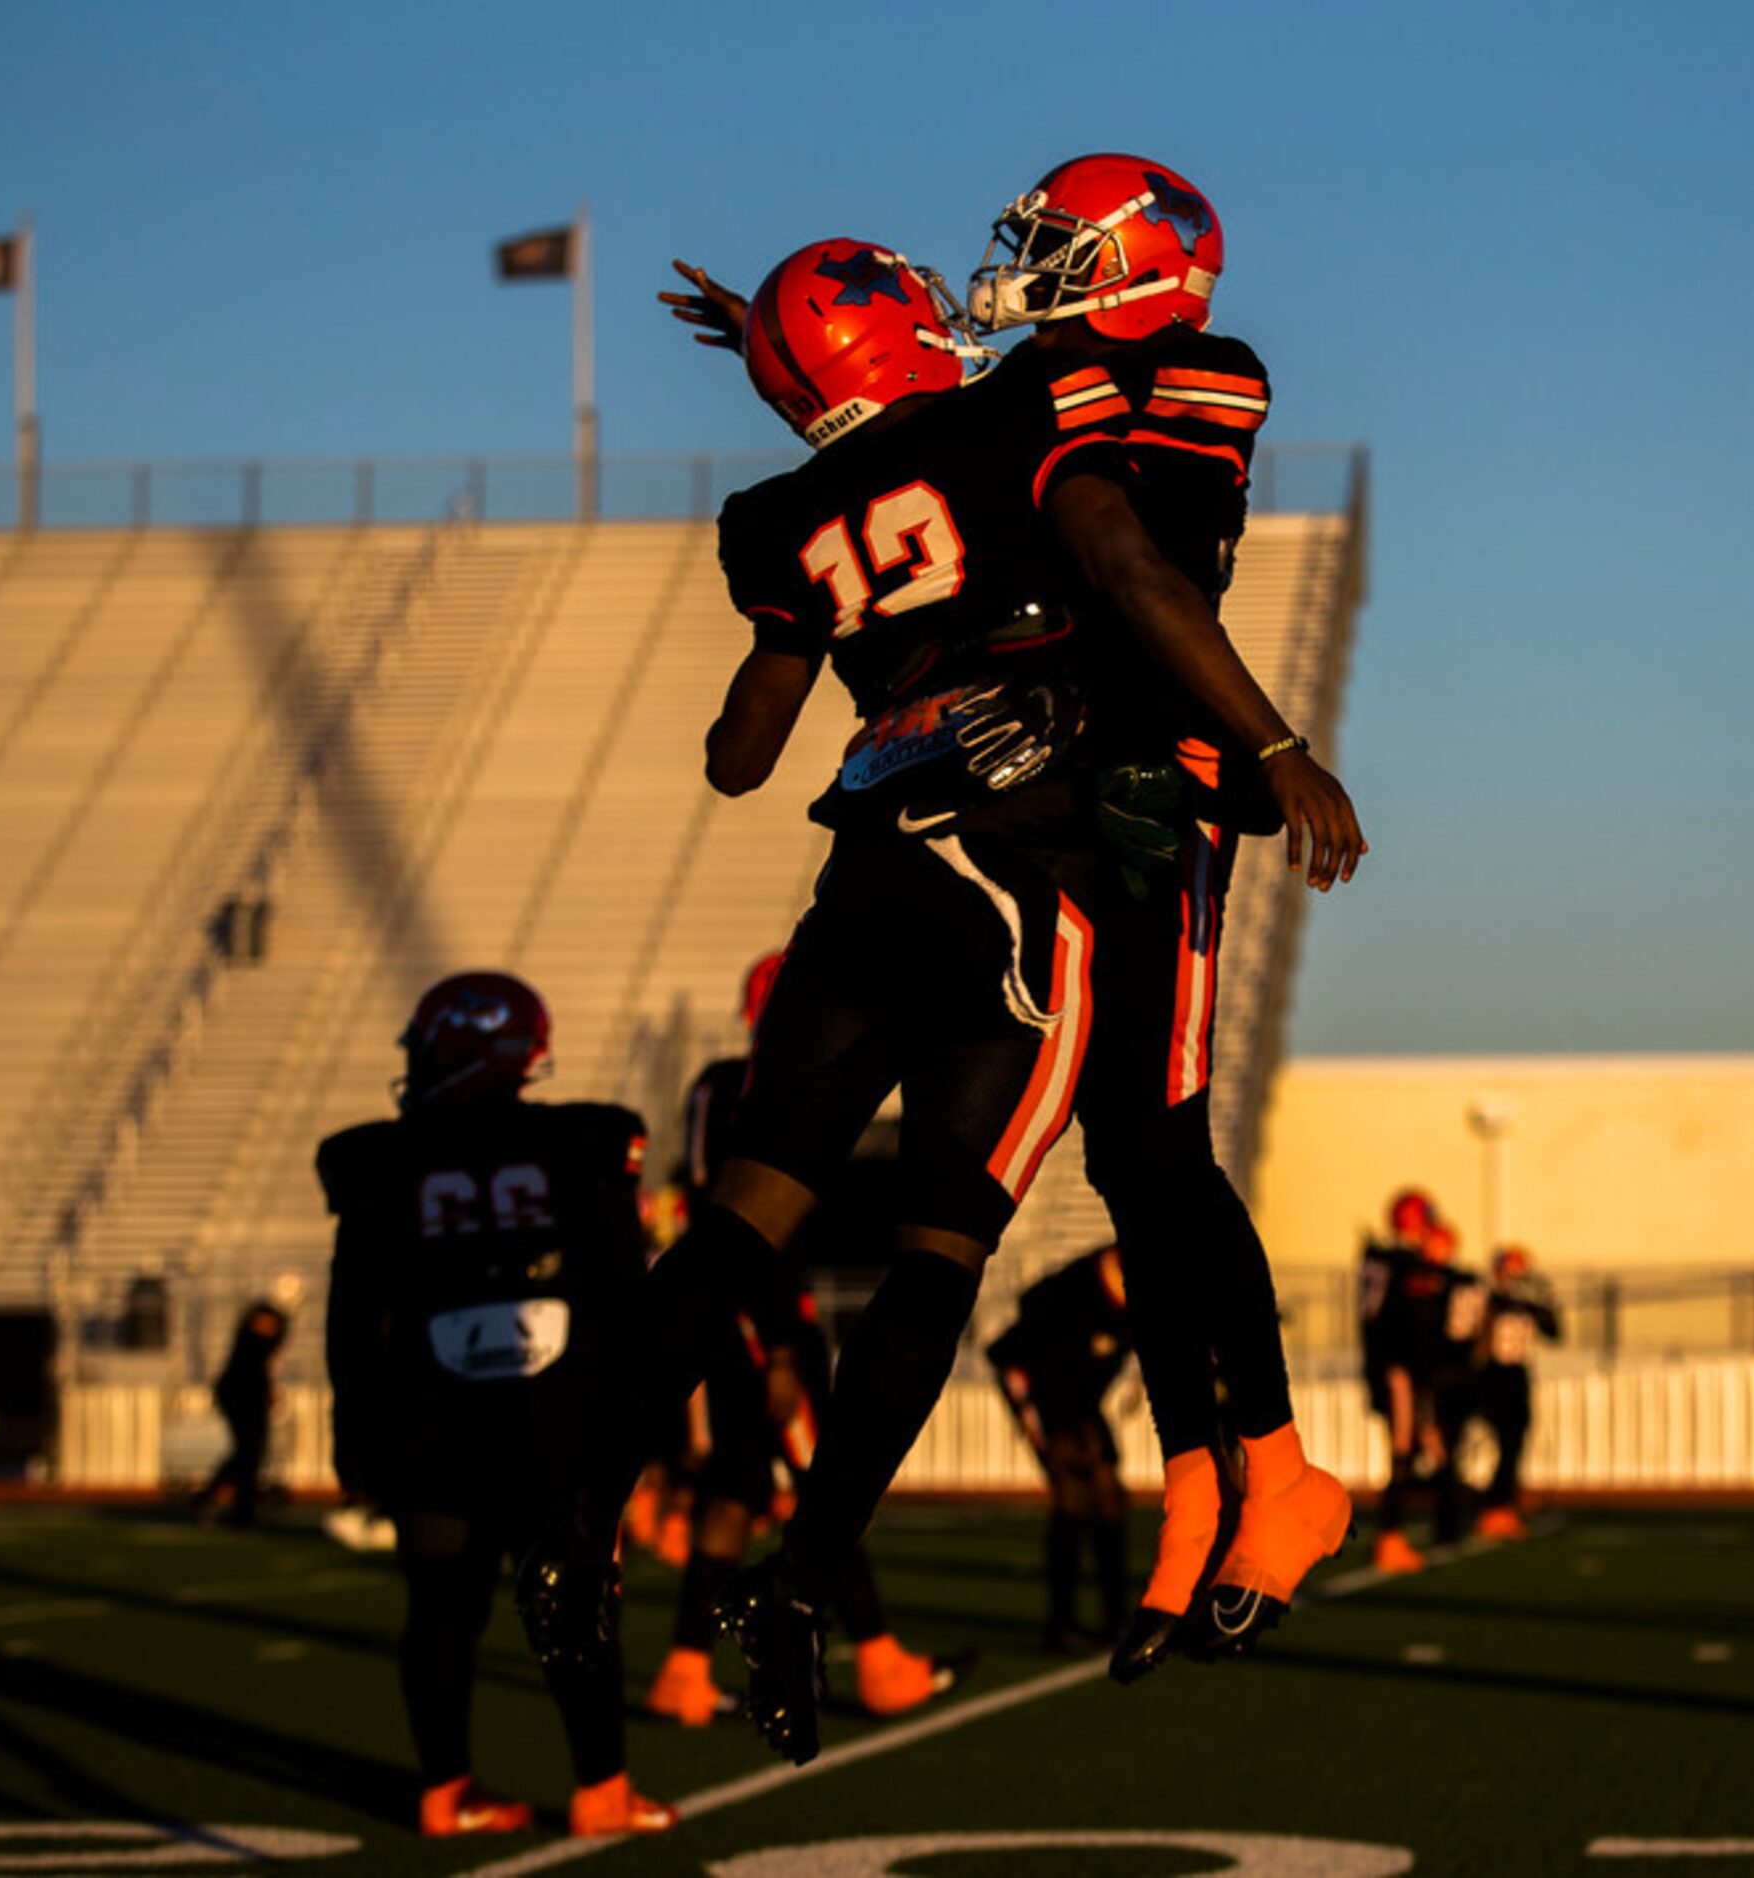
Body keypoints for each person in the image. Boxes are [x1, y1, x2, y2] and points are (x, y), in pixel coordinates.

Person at [528, 233, 1360, 1768]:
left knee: (737, 1221)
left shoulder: (773, 518)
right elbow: (1122, 565)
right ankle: (797, 1583)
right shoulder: (1015, 416)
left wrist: (801, 462)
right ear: (905, 330)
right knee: (946, 1247)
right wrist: (1273, 743)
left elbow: (736, 755)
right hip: (1017, 867)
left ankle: (578, 1516)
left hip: (863, 871)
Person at [320, 972, 674, 1839]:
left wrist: (352, 1431)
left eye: (425, 1045)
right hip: (555, 1426)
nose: (413, 1061)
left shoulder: (379, 1161)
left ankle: (446, 1792)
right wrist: (637, 1427)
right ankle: (601, 1790)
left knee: (441, 1611)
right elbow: (628, 1296)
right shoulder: (586, 1142)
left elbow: (353, 1312)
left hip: (428, 1421)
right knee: (577, 1605)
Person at [646, 952, 953, 1729]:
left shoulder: (720, 1086)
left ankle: (682, 1671)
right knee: (829, 1487)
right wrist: (778, 1341)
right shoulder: (762, 1085)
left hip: (742, 1306)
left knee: (733, 1492)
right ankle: (880, 1660)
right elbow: (747, 1216)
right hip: (764, 1313)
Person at [985, 1243, 1134, 1650]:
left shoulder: (1138, 1291)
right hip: (1042, 1390)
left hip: (1078, 1398)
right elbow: (1030, 1350)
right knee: (1073, 1495)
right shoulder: (1077, 1288)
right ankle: (1062, 1623)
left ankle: (1114, 1618)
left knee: (1108, 1498)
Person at [1360, 1203, 1478, 1570]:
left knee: (1422, 1447)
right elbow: (1401, 1323)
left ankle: (1431, 1528)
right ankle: (1391, 1535)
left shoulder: (1385, 1261)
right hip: (1401, 1371)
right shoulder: (1403, 1267)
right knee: (1403, 1451)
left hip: (1404, 1370)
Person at [1472, 1245, 1559, 1540]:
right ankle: (1493, 1504)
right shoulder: (1489, 1298)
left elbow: (1554, 1331)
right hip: (1492, 1373)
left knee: (1515, 1440)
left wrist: (1538, 1302)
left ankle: (1502, 1503)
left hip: (1517, 1373)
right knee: (1499, 1441)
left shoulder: (1527, 1302)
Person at [194, 1300, 290, 1527]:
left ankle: (238, 1506)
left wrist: (269, 1394)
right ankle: (219, 1500)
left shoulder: (269, 1343)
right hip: (237, 1394)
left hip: (252, 1396)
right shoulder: (249, 1341)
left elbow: (265, 1372)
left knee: (252, 1451)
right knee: (248, 1448)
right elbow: (250, 1373)